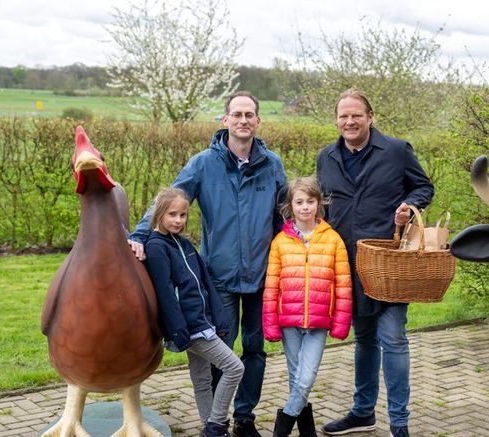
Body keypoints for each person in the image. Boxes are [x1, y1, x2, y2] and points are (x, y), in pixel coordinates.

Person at [129, 91, 287, 437]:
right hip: (219, 277)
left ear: (258, 121)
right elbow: (167, 201)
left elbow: (283, 216)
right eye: (237, 114)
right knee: (221, 350)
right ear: (225, 120)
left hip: (262, 276)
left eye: (250, 114)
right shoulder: (203, 163)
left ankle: (244, 418)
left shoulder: (272, 164)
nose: (243, 120)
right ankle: (218, 420)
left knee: (255, 349)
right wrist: (140, 235)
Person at [315, 89, 434, 437]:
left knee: (393, 339)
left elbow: (424, 187)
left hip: (389, 265)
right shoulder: (326, 157)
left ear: (370, 117)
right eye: (343, 116)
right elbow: (323, 206)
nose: (349, 122)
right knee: (364, 340)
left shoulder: (397, 151)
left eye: (356, 115)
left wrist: (409, 204)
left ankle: (399, 424)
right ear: (336, 120)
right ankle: (363, 412)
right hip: (348, 265)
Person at [143, 188, 244, 437]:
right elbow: (166, 294)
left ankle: (211, 427)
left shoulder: (184, 244)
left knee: (201, 378)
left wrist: (219, 317)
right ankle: (216, 423)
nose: (179, 220)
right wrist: (178, 330)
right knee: (234, 368)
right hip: (189, 326)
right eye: (173, 214)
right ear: (159, 214)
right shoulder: (156, 248)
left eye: (183, 215)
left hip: (203, 321)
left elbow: (206, 282)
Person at [262, 177, 353, 437]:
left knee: (305, 378)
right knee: (295, 379)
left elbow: (344, 286)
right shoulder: (280, 242)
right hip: (289, 322)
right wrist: (270, 323)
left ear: (319, 203)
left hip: (318, 323)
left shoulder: (333, 240)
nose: (305, 207)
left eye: (310, 201)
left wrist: (340, 322)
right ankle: (307, 432)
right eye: (299, 202)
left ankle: (282, 427)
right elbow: (271, 287)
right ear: (290, 206)